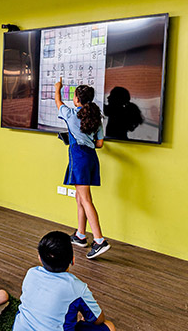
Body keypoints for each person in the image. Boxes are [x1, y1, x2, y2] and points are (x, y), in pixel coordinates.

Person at [12, 231, 116, 331]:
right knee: (109, 326)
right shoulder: (76, 287)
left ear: (40, 258)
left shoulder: (31, 273)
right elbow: (98, 320)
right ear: (73, 260)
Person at [53, 79, 110, 259]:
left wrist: (57, 88)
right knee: (80, 197)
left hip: (79, 159)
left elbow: (58, 102)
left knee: (86, 200)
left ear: (77, 99)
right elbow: (99, 144)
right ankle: (80, 235)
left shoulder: (70, 114)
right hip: (91, 158)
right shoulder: (96, 118)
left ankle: (100, 240)